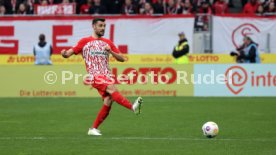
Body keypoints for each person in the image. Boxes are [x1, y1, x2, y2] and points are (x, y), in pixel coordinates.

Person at [60, 18, 143, 136]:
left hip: (107, 75)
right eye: (100, 25)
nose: (103, 28)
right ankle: (133, 108)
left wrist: (111, 52)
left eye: (104, 26)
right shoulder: (85, 41)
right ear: (94, 26)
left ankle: (93, 129)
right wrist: (63, 53)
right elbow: (68, 54)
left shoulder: (108, 42)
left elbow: (122, 59)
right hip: (95, 75)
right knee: (112, 89)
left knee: (109, 100)